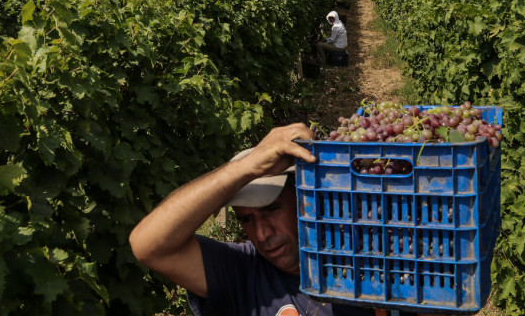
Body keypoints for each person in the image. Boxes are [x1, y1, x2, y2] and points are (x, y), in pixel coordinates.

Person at [129, 124, 376, 315]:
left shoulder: (367, 262)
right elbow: (147, 245)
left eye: (271, 209)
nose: (261, 234)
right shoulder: (242, 271)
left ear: (307, 200)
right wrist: (248, 167)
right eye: (246, 219)